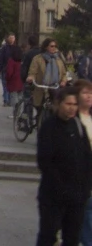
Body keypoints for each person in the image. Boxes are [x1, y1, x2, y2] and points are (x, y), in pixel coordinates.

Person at [36, 86, 92, 246]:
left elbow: (87, 156)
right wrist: (62, 188)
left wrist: (85, 187)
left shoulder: (77, 125)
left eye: (74, 104)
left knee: (72, 237)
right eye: (68, 104)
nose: (72, 108)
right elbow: (45, 162)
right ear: (58, 103)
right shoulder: (49, 127)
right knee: (48, 236)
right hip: (53, 196)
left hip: (77, 196)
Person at [26, 37, 67, 116]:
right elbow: (33, 72)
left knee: (55, 110)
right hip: (41, 88)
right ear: (46, 47)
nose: (54, 48)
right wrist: (31, 77)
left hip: (55, 88)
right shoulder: (38, 59)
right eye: (51, 46)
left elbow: (64, 73)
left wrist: (63, 81)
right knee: (39, 110)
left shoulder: (58, 59)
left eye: (55, 46)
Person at [76, 80, 92, 246]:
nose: (89, 97)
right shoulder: (73, 120)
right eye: (85, 93)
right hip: (79, 175)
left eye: (91, 93)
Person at [0, 33, 16, 106]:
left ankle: (10, 100)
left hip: (13, 71)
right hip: (5, 69)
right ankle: (6, 100)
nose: (11, 39)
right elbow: (1, 59)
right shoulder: (5, 48)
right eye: (10, 38)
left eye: (13, 38)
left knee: (11, 86)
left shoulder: (16, 48)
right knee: (5, 85)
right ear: (8, 39)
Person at [5, 44, 23, 117]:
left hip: (13, 83)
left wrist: (7, 79)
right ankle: (19, 113)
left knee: (14, 100)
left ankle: (15, 114)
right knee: (20, 99)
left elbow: (9, 72)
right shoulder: (22, 61)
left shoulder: (11, 61)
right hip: (21, 82)